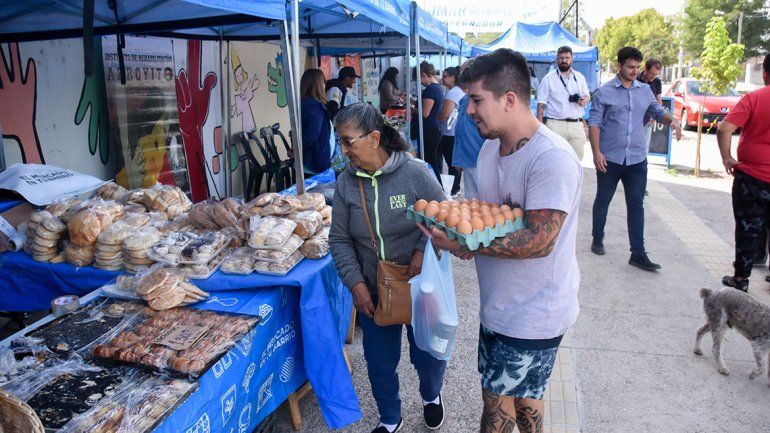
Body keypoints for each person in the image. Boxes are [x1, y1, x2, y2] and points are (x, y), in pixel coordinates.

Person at [424, 48, 583, 433]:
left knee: (496, 407)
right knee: (527, 401)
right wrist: (463, 237)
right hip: (502, 304)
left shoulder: (551, 158)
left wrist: (461, 243)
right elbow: (490, 220)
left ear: (509, 99)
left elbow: (539, 241)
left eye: (477, 100)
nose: (468, 110)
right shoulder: (492, 148)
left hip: (533, 313)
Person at [329, 103, 448, 433]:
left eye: (347, 141)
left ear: (374, 138)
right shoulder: (345, 183)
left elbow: (444, 215)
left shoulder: (415, 173)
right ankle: (390, 416)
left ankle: (431, 395)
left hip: (419, 285)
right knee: (380, 363)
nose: (342, 149)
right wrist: (355, 284)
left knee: (427, 355)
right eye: (339, 141)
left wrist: (423, 249)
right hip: (373, 288)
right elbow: (339, 239)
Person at [588, 46, 682, 271]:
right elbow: (594, 124)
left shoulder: (644, 91)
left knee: (636, 204)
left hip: (637, 160)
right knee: (603, 199)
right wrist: (596, 152)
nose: (634, 71)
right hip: (609, 159)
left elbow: (657, 112)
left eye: (637, 67)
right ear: (619, 65)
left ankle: (638, 253)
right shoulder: (604, 92)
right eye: (630, 67)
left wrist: (673, 121)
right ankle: (598, 237)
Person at [717, 54, 770, 293]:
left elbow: (724, 128)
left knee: (748, 227)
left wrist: (727, 158)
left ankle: (741, 279)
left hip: (751, 178)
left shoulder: (754, 99)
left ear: (765, 74)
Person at [536, 46, 590, 160]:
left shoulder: (579, 77)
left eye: (567, 57)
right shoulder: (548, 78)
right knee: (555, 160)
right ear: (557, 59)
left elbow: (586, 96)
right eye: (561, 58)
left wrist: (583, 100)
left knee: (576, 160)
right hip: (555, 125)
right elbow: (541, 103)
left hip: (576, 124)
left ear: (572, 59)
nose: (564, 61)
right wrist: (539, 127)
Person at [452, 59, 486, 198]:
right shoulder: (464, 99)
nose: (461, 76)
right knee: (471, 200)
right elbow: (459, 131)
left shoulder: (485, 98)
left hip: (481, 160)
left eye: (464, 72)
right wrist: (457, 158)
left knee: (484, 201)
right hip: (467, 160)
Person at [413, 61, 445, 185]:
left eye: (419, 78)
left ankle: (437, 187)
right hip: (433, 129)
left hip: (429, 130)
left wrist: (411, 108)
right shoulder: (436, 88)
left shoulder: (431, 89)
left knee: (430, 162)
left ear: (424, 74)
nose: (420, 82)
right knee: (433, 161)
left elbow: (425, 112)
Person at [300, 69, 334, 175]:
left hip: (307, 161)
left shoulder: (303, 105)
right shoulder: (315, 108)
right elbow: (310, 136)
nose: (325, 85)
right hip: (314, 163)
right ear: (319, 85)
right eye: (323, 82)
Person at [438, 66, 465, 196]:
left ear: (452, 78)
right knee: (454, 162)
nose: (442, 79)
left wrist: (437, 122)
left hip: (450, 133)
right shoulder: (457, 91)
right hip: (454, 132)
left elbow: (444, 114)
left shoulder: (453, 93)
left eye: (445, 76)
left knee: (451, 162)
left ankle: (453, 189)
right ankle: (456, 188)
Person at [637, 58, 663, 148]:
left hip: (647, 120)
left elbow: (659, 102)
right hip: (633, 119)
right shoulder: (636, 79)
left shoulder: (657, 82)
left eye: (656, 74)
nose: (653, 76)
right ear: (646, 69)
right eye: (652, 73)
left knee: (644, 148)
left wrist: (654, 120)